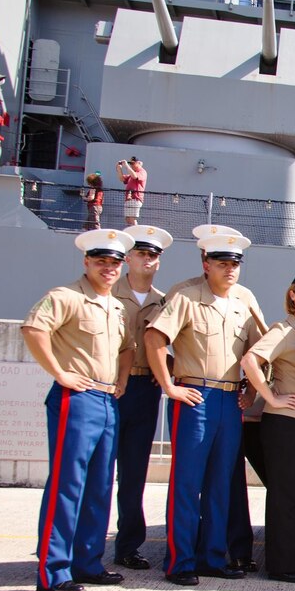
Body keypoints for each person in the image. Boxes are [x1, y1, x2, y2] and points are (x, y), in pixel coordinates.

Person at [21, 229, 136, 591]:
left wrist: (120, 381)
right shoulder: (66, 297)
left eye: (114, 263)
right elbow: (33, 330)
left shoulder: (115, 306)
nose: (108, 268)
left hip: (106, 400)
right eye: (101, 261)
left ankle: (88, 562)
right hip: (77, 397)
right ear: (86, 261)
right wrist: (59, 373)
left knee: (101, 485)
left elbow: (127, 349)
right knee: (67, 484)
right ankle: (53, 571)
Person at [145, 233, 261, 586]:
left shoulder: (244, 298)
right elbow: (154, 338)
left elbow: (260, 349)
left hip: (229, 400)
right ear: (205, 264)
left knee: (221, 484)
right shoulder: (185, 295)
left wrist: (252, 390)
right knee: (187, 483)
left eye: (235, 264)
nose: (229, 270)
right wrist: (169, 386)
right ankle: (180, 561)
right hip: (195, 397)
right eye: (222, 263)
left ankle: (212, 557)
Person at [243, 268, 295, 584]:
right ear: (292, 295)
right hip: (286, 426)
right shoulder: (283, 329)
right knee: (284, 496)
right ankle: (280, 565)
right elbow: (251, 361)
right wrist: (270, 397)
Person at [111, 224, 173, 571]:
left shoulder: (163, 302)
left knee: (133, 474)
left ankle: (128, 547)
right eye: (141, 253)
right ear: (128, 257)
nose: (147, 260)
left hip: (144, 390)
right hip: (108, 390)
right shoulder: (107, 294)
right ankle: (82, 546)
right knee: (97, 473)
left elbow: (168, 349)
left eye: (154, 256)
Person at [116, 156, 146, 226]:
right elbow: (122, 179)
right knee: (128, 219)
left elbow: (135, 176)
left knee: (132, 219)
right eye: (130, 164)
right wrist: (119, 169)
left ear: (138, 163)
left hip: (135, 198)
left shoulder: (142, 172)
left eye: (133, 163)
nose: (131, 165)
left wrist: (126, 166)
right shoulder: (131, 173)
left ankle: (136, 233)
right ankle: (130, 232)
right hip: (128, 198)